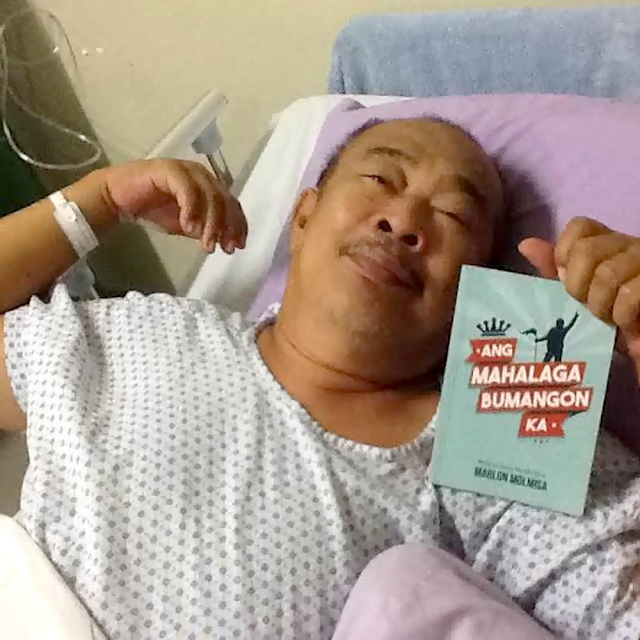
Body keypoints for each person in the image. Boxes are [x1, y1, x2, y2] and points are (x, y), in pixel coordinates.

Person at [1, 119, 640, 639]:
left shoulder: (502, 430)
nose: (404, 221)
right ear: (303, 217)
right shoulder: (145, 335)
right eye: (380, 179)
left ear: (476, 289)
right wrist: (96, 203)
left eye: (454, 216)